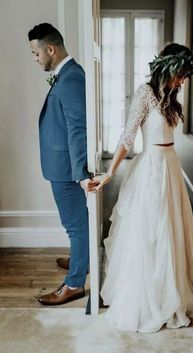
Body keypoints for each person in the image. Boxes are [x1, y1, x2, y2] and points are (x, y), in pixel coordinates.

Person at [94, 43, 193, 332]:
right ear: (167, 68)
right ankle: (152, 292)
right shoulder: (145, 92)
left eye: (184, 76)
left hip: (171, 165)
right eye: (179, 75)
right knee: (152, 229)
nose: (181, 81)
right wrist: (109, 174)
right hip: (152, 167)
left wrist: (175, 89)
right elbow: (128, 136)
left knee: (172, 227)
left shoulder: (171, 95)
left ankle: (174, 282)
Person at [28, 23, 99, 305]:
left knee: (75, 225)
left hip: (67, 168)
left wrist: (80, 172)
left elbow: (77, 127)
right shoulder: (66, 74)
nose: (34, 59)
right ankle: (81, 259)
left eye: (35, 53)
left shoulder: (71, 78)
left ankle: (74, 284)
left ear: (50, 49)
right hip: (61, 164)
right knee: (77, 223)